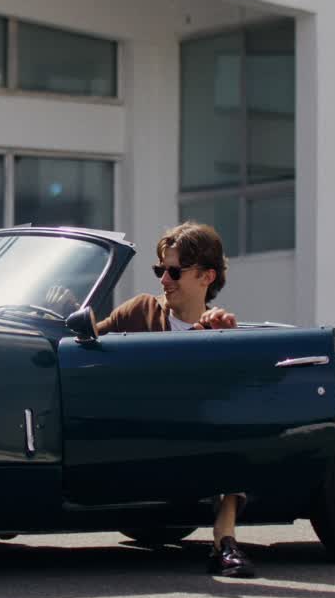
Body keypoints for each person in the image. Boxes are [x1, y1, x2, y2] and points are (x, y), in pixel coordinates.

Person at [94, 221, 255, 579]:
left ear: (206, 277)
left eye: (173, 271)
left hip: (196, 442)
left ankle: (224, 541)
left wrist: (223, 342)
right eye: (160, 270)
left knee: (237, 432)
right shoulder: (139, 312)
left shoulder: (220, 327)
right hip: (142, 440)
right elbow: (87, 341)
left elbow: (231, 397)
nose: (163, 280)